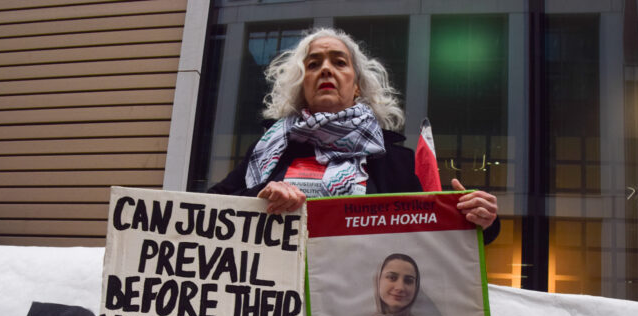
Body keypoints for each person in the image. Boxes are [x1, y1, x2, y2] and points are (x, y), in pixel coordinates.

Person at [207, 27, 500, 242]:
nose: (325, 69)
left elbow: (433, 236)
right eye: (313, 64)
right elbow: (206, 209)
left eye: (338, 62)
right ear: (302, 83)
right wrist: (259, 198)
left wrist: (481, 219)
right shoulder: (268, 149)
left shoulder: (395, 160)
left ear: (357, 86)